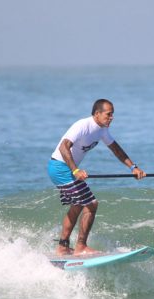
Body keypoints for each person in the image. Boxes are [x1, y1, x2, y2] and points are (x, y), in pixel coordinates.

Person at [47, 99, 146, 256]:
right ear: (97, 114)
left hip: (64, 169)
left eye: (112, 114)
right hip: (59, 167)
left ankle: (63, 247)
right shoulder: (83, 125)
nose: (111, 117)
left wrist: (133, 167)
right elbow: (63, 147)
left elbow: (116, 149)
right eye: (108, 114)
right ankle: (80, 247)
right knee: (91, 204)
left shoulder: (102, 130)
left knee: (78, 205)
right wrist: (75, 170)